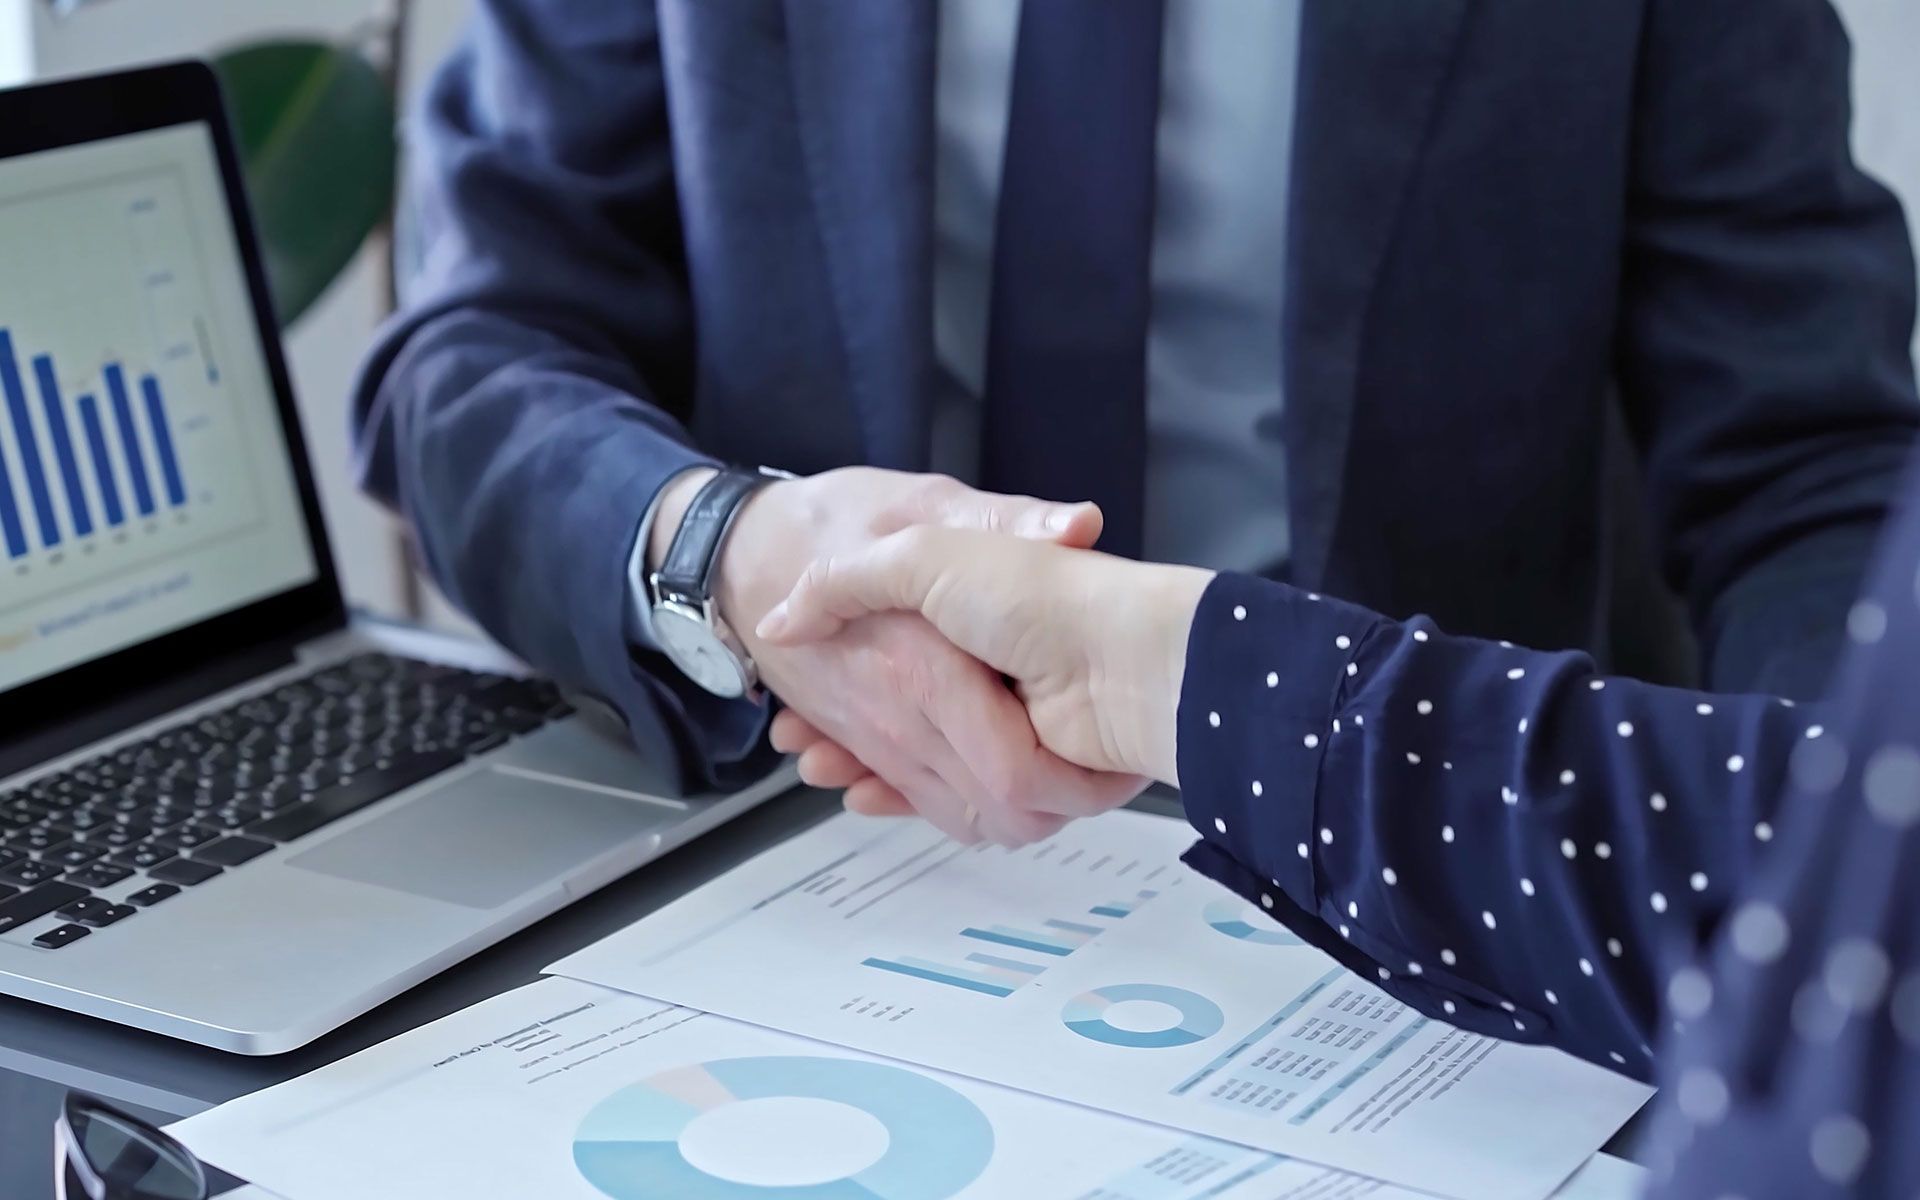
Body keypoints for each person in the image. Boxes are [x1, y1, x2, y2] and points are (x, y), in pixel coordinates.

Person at [355, 0, 1918, 822]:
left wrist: (1837, 870)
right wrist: (731, 558)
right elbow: (475, 356)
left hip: (1420, 859)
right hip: (806, 824)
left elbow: (1810, 459)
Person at [752, 488, 1920, 1196]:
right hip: (765, 812)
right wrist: (727, 545)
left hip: (1484, 1011)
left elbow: (1804, 470)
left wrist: (1154, 674)